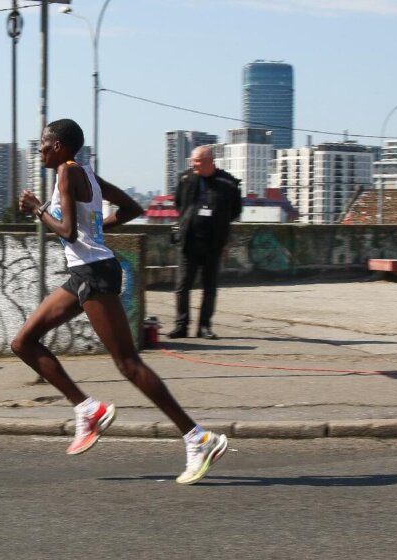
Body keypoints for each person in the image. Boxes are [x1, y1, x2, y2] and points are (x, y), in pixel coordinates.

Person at [14, 119, 227, 484]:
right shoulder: (88, 175)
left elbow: (65, 231)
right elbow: (130, 208)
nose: (40, 150)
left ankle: (198, 438)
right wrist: (96, 232)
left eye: (45, 144)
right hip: (86, 272)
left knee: (128, 364)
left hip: (95, 273)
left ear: (61, 147)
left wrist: (37, 208)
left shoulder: (67, 174)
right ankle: (88, 409)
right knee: (23, 342)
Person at [168, 145, 242, 340]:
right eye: (193, 161)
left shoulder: (228, 183)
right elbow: (178, 204)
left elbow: (235, 210)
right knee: (182, 286)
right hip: (188, 241)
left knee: (209, 288)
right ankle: (181, 325)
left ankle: (204, 326)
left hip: (213, 243)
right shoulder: (185, 179)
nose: (194, 164)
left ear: (210, 161)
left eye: (198, 161)